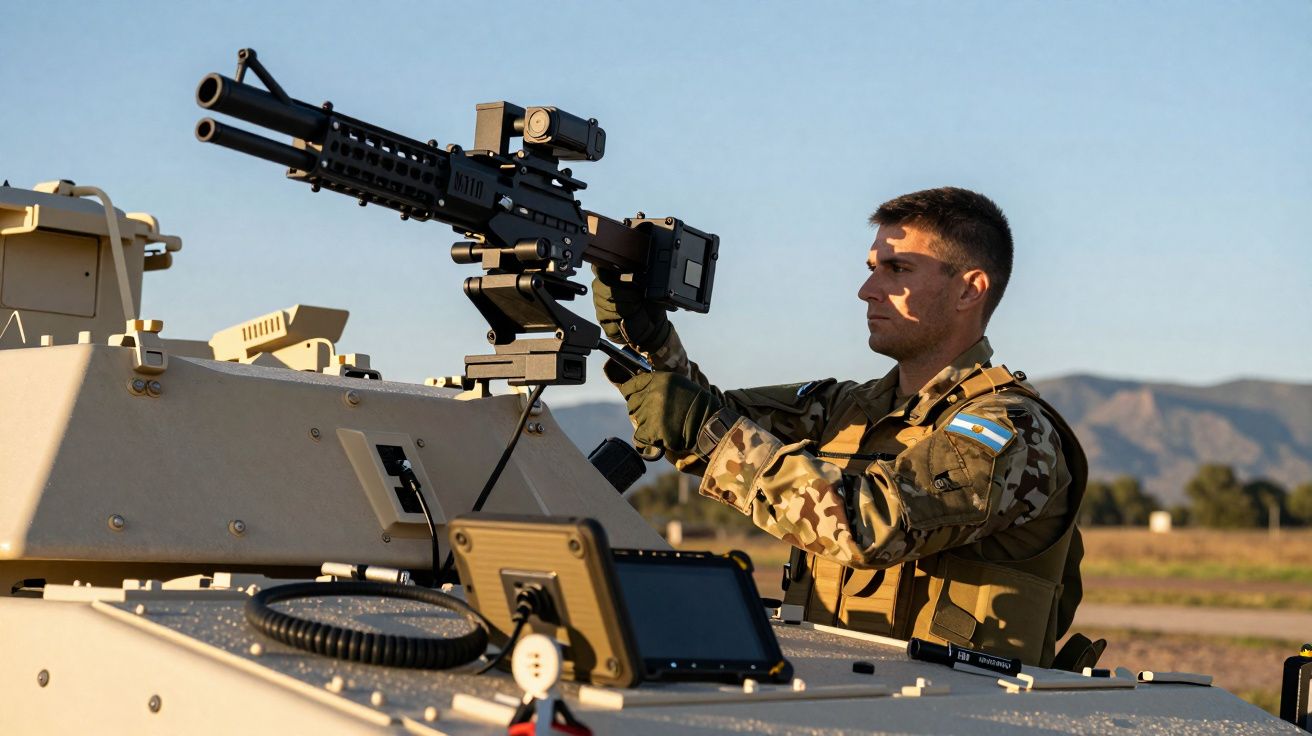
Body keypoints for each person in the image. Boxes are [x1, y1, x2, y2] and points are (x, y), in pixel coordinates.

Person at [593, 186, 1101, 670]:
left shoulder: (1009, 430)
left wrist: (707, 431)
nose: (867, 290)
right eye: (871, 268)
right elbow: (708, 420)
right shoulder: (847, 408)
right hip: (842, 696)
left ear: (969, 290)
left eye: (897, 269)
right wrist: (648, 338)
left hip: (961, 714)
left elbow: (870, 526)